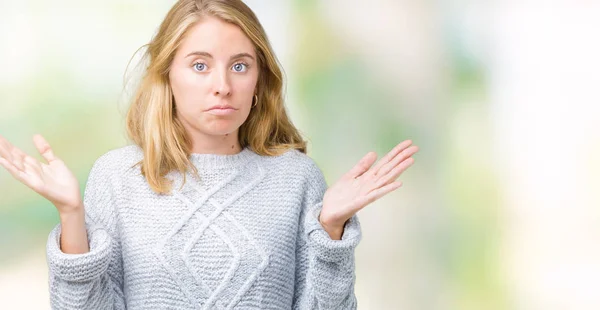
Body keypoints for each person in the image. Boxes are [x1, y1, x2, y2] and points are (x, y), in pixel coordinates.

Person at [0, 0, 419, 309]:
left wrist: (330, 229)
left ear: (259, 80)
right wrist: (71, 214)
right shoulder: (117, 177)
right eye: (200, 65)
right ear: (168, 77)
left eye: (240, 66)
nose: (222, 85)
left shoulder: (298, 179)